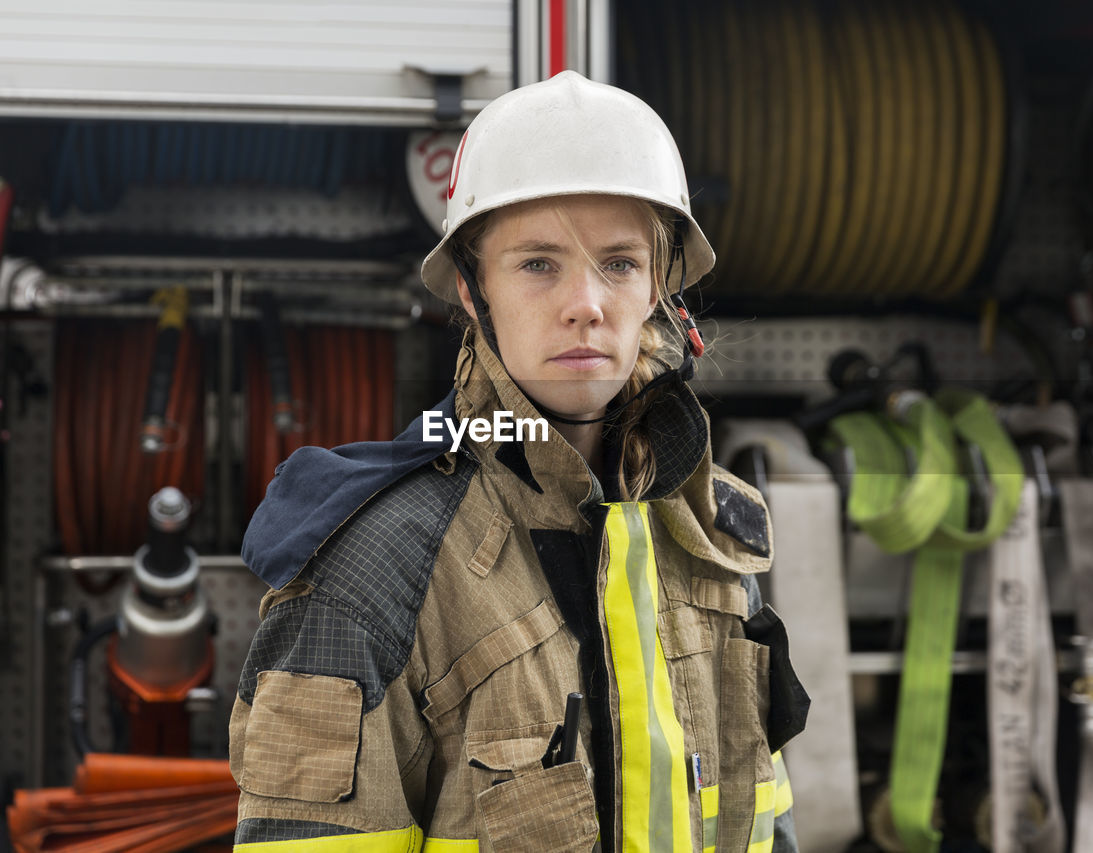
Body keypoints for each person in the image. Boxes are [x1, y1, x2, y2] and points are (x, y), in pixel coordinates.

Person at [229, 70, 808, 853]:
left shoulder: (706, 539)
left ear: (661, 289)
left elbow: (764, 823)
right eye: (538, 263)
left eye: (620, 263)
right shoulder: (372, 575)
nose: (586, 303)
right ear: (472, 290)